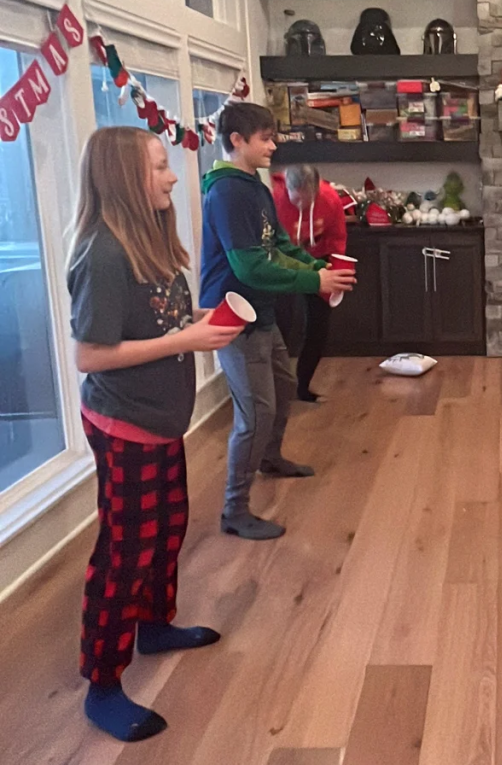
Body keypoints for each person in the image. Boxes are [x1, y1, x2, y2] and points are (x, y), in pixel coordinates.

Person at [67, 127, 243, 741]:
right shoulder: (103, 254)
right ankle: (103, 682)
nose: (172, 177)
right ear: (124, 178)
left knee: (168, 526)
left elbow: (160, 320)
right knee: (124, 550)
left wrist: (204, 323)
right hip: (124, 423)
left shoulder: (150, 242)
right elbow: (90, 353)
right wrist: (185, 341)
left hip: (162, 419)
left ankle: (153, 624)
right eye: (161, 167)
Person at [199, 103, 355, 540]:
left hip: (260, 309)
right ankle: (234, 509)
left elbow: (278, 245)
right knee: (256, 411)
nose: (273, 146)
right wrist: (314, 278)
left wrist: (320, 268)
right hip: (234, 316)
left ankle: (270, 457)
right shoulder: (226, 192)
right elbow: (251, 267)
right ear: (237, 140)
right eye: (265, 138)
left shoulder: (256, 185)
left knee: (284, 388)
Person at [271, 164, 349, 402]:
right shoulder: (274, 199)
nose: (302, 205)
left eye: (309, 199)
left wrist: (335, 272)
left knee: (318, 328)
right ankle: (276, 391)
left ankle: (303, 388)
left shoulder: (330, 199)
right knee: (281, 326)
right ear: (288, 190)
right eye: (297, 200)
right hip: (283, 264)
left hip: (319, 262)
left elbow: (337, 238)